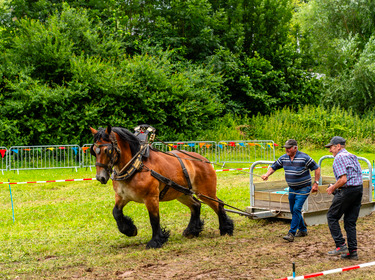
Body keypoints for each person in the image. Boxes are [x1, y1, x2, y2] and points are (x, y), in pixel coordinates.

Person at [261, 139, 320, 242]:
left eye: (289, 148)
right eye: (286, 148)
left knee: (297, 209)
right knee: (293, 210)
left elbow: (317, 168)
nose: (286, 150)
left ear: (295, 148)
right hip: (292, 188)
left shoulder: (304, 158)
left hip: (304, 188)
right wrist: (267, 174)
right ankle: (302, 230)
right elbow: (274, 167)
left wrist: (316, 183)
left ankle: (291, 233)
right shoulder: (283, 158)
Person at [325, 136, 363, 260]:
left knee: (332, 216)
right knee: (350, 222)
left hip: (347, 191)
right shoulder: (352, 156)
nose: (330, 150)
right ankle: (353, 252)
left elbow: (343, 179)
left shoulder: (339, 158)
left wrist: (332, 188)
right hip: (358, 189)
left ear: (338, 146)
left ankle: (340, 245)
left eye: (331, 147)